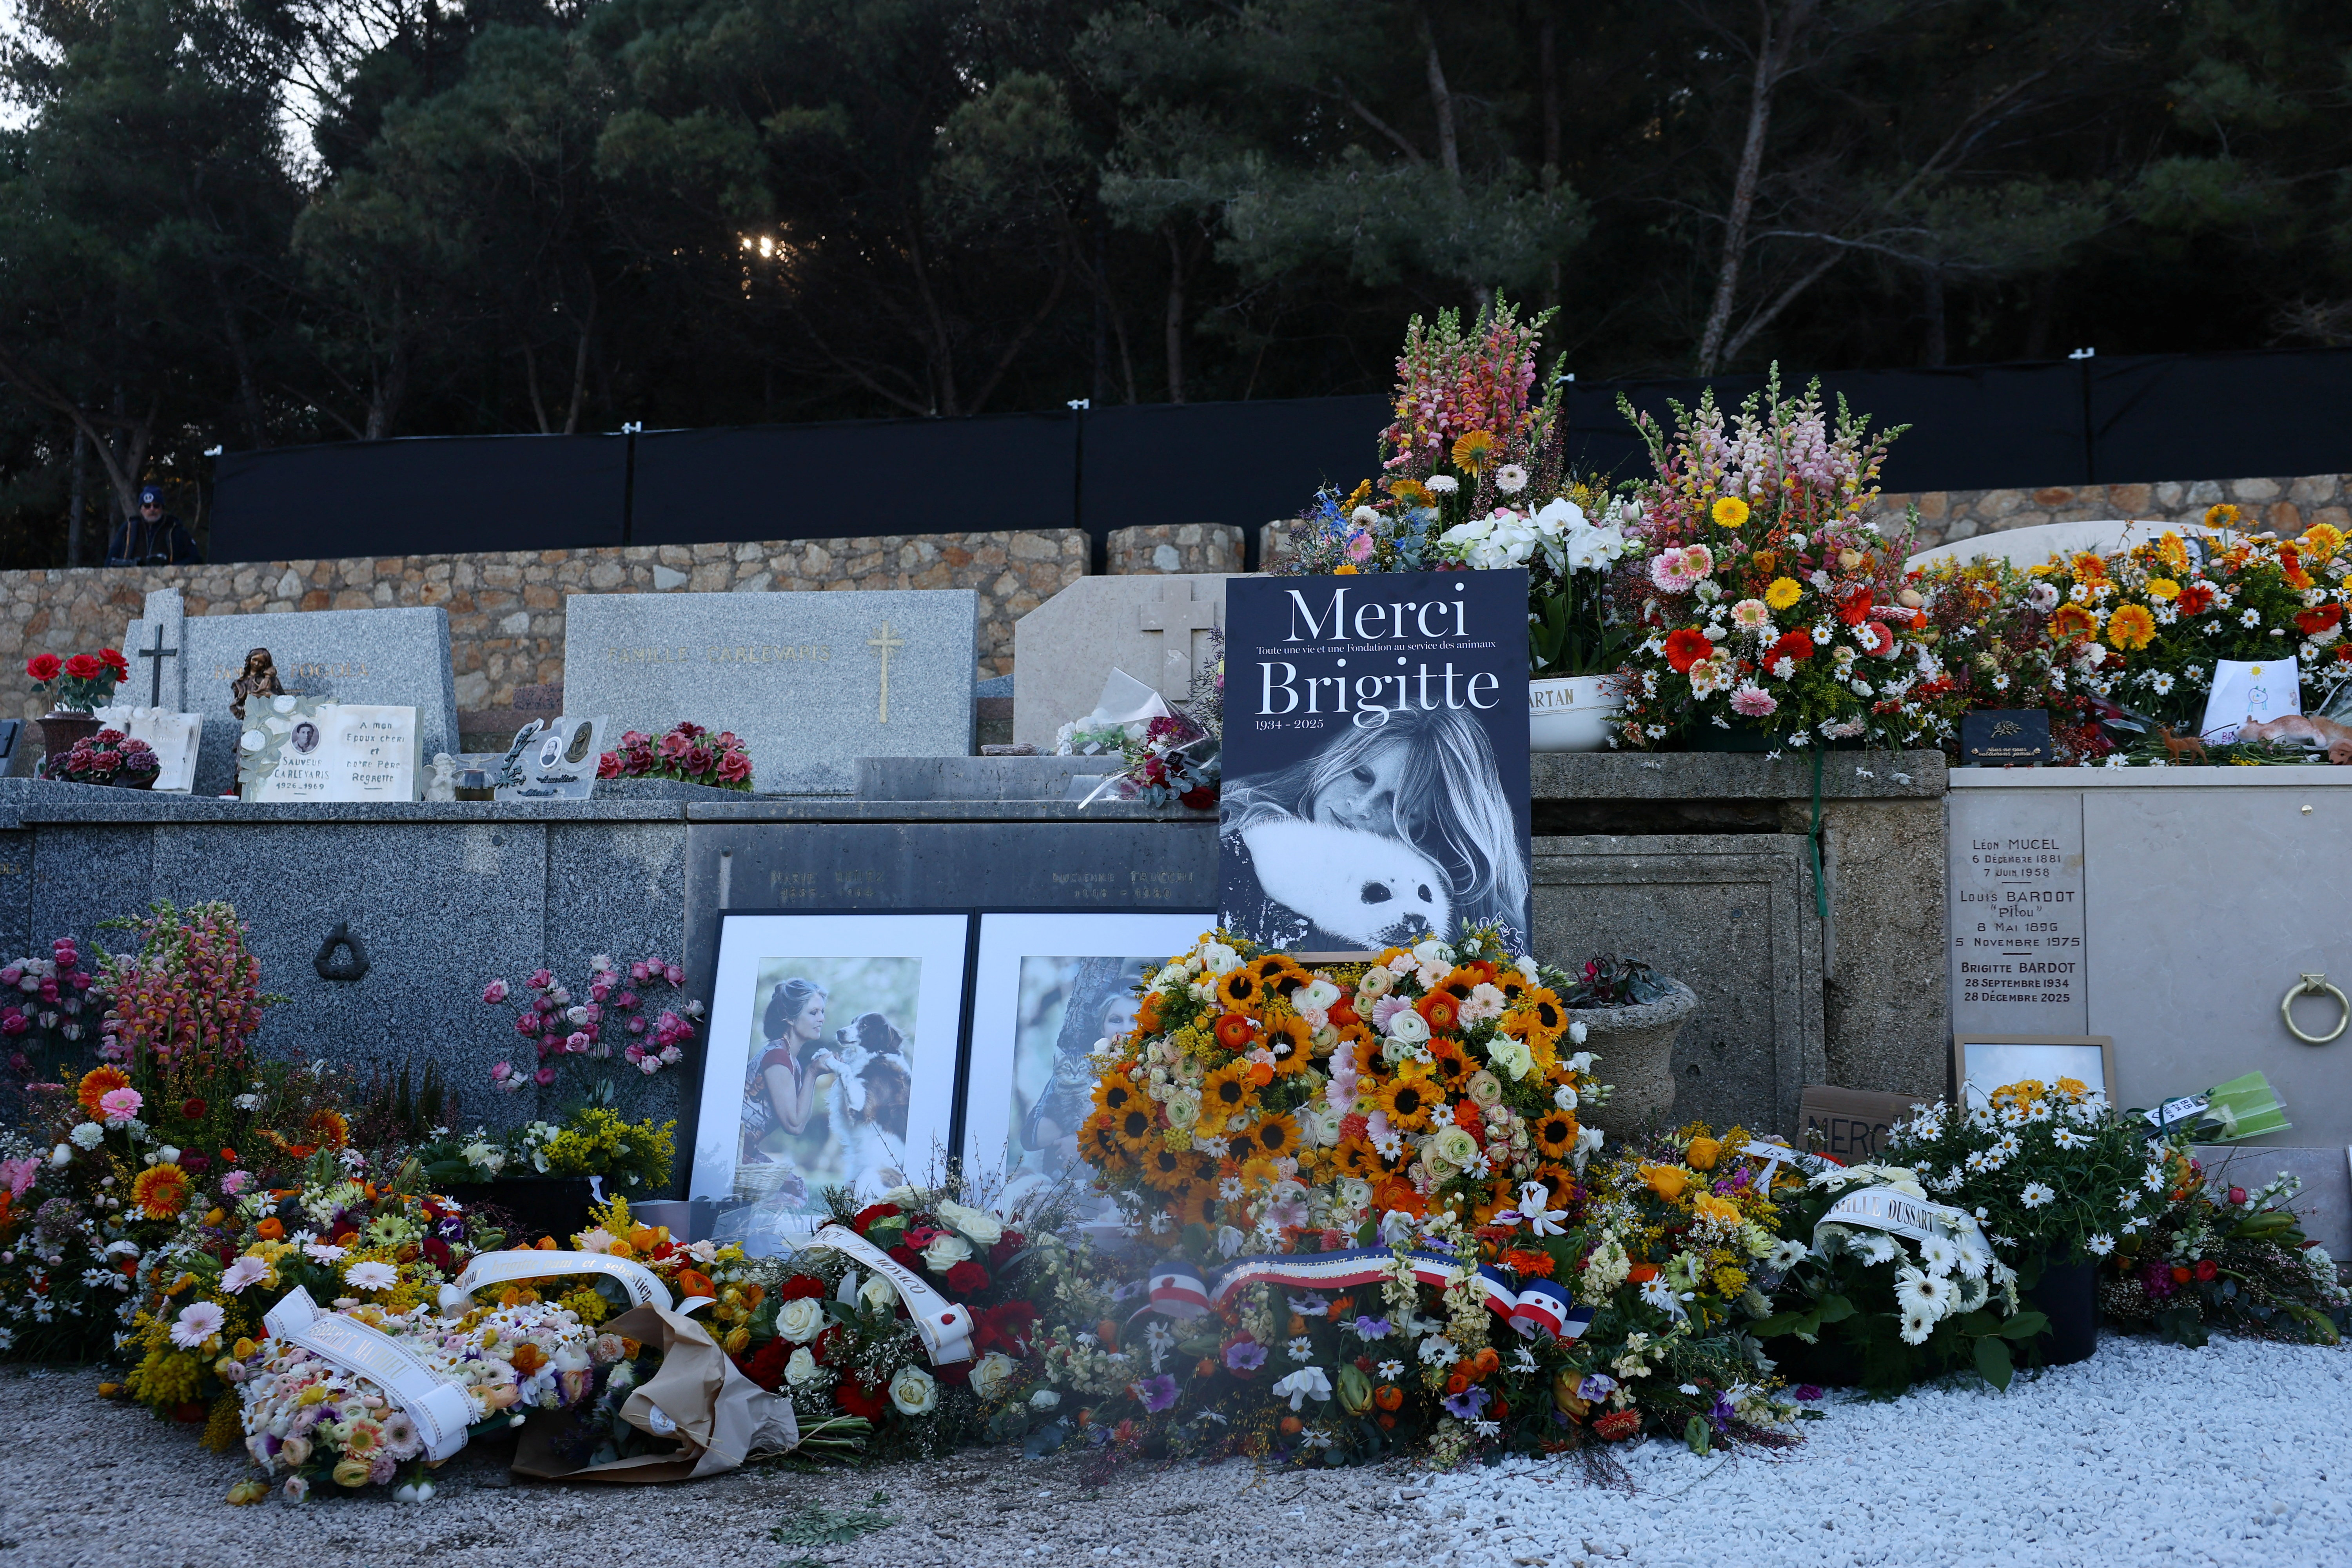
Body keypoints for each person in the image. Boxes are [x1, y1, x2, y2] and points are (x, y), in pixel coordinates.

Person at [1221, 704, 1528, 950]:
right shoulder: (1235, 826)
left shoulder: (1432, 917)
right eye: (1360, 775)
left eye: (1396, 805)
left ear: (1428, 829)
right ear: (1335, 760)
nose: (1361, 807)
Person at [106, 485, 203, 567]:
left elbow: (195, 558)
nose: (152, 509)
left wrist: (170, 568)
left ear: (162, 508)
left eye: (156, 506)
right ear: (141, 509)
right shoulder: (130, 527)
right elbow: (110, 560)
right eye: (147, 506)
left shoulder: (174, 527)